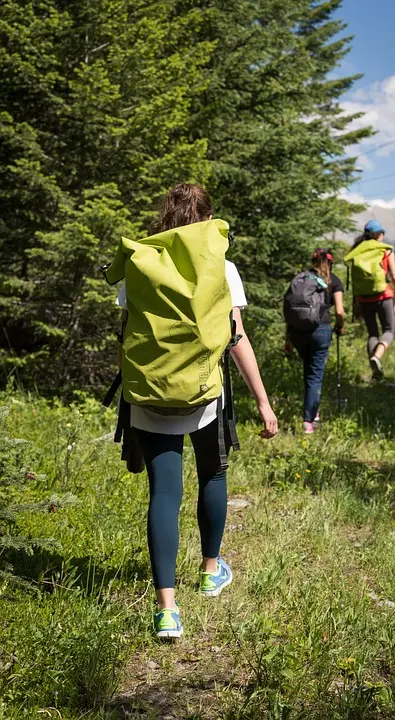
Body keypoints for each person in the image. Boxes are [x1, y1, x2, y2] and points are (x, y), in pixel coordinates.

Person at [115, 183, 278, 639]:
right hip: (206, 394)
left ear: (165, 217)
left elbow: (125, 340)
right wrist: (263, 401)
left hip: (149, 397)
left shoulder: (139, 264)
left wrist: (131, 404)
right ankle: (210, 570)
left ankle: (167, 610)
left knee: (163, 495)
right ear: (208, 218)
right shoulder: (222, 267)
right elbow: (236, 337)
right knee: (213, 475)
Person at [285, 248, 345, 434]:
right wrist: (340, 326)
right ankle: (309, 421)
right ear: (330, 263)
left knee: (309, 372)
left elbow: (291, 309)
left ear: (313, 262)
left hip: (297, 333)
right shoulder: (333, 281)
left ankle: (313, 411)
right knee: (315, 375)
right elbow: (340, 311)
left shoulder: (301, 279)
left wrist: (287, 338)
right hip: (320, 331)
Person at [346, 220, 395, 380]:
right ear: (379, 234)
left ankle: (374, 371)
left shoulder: (358, 251)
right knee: (389, 330)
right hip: (383, 295)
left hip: (363, 298)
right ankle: (377, 357)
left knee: (372, 333)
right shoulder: (386, 250)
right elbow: (394, 276)